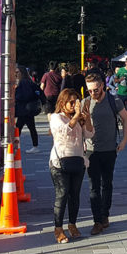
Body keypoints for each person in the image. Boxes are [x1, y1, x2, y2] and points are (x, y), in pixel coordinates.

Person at [84, 73, 127, 235]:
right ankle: (97, 221)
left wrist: (124, 140)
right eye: (89, 91)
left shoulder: (113, 100)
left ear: (102, 85)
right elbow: (80, 125)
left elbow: (125, 117)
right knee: (93, 187)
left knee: (107, 183)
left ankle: (105, 215)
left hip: (110, 149)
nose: (93, 93)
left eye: (96, 90)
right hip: (91, 151)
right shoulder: (85, 103)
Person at [48, 88, 92, 243]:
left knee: (75, 195)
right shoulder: (55, 117)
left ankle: (72, 224)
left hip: (78, 161)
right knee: (62, 194)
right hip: (60, 163)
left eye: (76, 102)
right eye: (71, 102)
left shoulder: (78, 118)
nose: (74, 105)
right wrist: (77, 116)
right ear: (62, 103)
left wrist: (87, 118)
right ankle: (58, 228)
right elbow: (65, 131)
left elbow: (89, 134)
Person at [14, 66, 41, 153]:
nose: (16, 74)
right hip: (28, 109)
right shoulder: (28, 81)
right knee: (30, 127)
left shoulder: (23, 82)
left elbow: (25, 95)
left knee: (19, 128)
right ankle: (35, 146)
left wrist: (16, 96)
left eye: (17, 72)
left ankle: (15, 146)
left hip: (24, 109)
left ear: (21, 73)